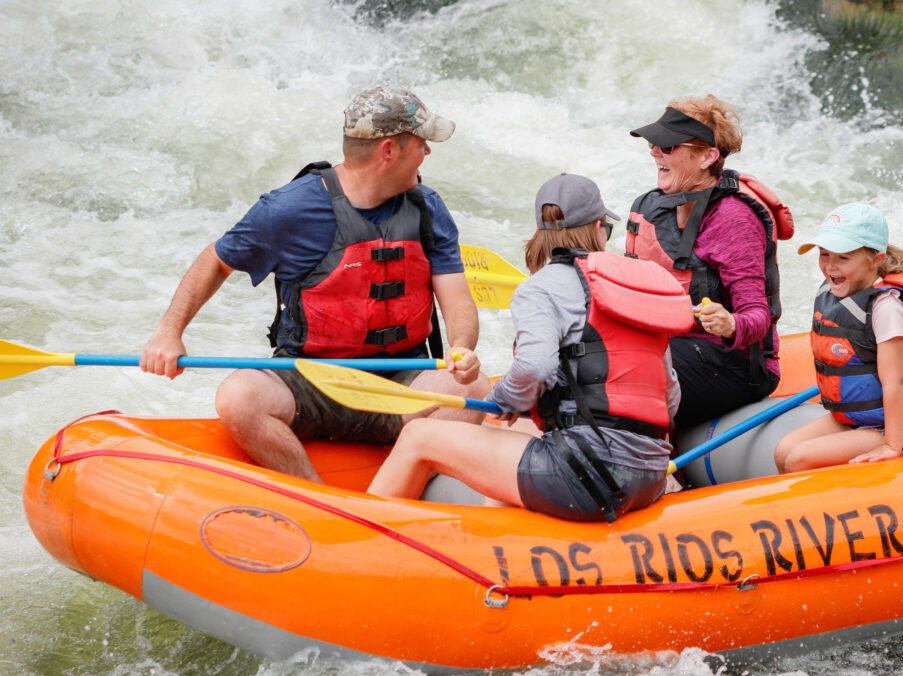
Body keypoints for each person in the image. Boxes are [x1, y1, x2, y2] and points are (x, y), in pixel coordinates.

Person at [141, 85, 489, 481]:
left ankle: (394, 485)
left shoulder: (429, 208)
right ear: (388, 151)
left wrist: (462, 348)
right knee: (238, 398)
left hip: (399, 382)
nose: (428, 152)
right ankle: (315, 496)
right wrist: (169, 333)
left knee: (474, 387)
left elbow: (457, 301)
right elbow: (215, 261)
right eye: (421, 143)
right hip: (309, 380)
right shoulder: (289, 210)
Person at [367, 174, 693, 522]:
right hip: (652, 474)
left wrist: (506, 399)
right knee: (507, 449)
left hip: (588, 476)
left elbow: (535, 367)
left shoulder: (541, 287)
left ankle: (360, 544)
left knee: (419, 435)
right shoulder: (639, 287)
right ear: (598, 228)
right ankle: (499, 556)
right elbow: (669, 396)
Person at [625, 96, 795, 427]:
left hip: (736, 364)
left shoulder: (733, 218)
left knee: (628, 377)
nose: (654, 152)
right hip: (676, 347)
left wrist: (731, 324)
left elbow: (757, 316)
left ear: (707, 156)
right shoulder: (657, 206)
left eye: (668, 146)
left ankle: (655, 469)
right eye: (653, 144)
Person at [774, 203, 903, 472]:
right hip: (852, 417)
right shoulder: (835, 292)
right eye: (824, 254)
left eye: (843, 258)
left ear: (876, 259)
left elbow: (892, 383)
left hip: (890, 425)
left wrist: (891, 445)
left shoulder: (886, 307)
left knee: (799, 459)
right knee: (783, 451)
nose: (830, 266)